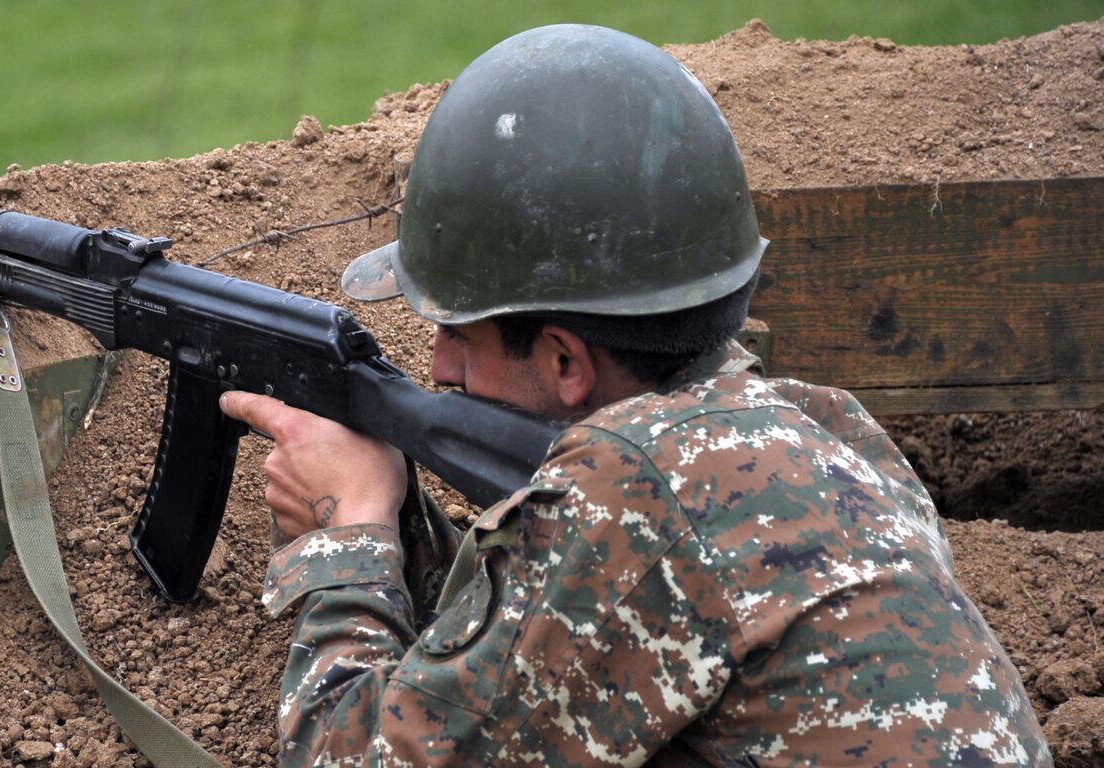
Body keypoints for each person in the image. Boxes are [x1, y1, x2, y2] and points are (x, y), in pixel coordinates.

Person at [217, 24, 1050, 766]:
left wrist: (350, 530)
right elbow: (559, 663)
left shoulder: (631, 492)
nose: (436, 368)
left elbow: (347, 755)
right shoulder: (832, 430)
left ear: (567, 363)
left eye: (458, 335)